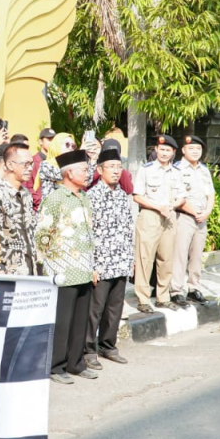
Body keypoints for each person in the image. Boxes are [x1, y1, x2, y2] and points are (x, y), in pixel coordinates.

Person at [36, 148, 97, 383]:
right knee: (62, 322)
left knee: (80, 321)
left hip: (83, 268)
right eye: (83, 169)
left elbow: (88, 234)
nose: (87, 173)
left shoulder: (83, 197)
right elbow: (42, 235)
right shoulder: (55, 198)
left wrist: (92, 265)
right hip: (62, 271)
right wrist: (48, 267)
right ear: (69, 172)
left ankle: (76, 363)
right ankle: (56, 366)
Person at [86, 146, 133, 367]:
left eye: (118, 167)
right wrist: (91, 264)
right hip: (101, 262)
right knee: (94, 309)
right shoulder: (92, 196)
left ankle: (108, 345)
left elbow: (128, 229)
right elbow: (87, 232)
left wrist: (130, 259)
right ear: (100, 169)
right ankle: (87, 349)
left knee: (115, 308)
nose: (115, 171)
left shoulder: (123, 196)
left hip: (121, 261)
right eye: (111, 167)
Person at [132, 134, 185, 311]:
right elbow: (137, 196)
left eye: (167, 150)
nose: (164, 153)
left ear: (173, 152)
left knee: (166, 258)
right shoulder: (145, 170)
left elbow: (182, 197)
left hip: (169, 216)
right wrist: (158, 206)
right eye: (161, 149)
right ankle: (143, 299)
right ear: (156, 150)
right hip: (149, 216)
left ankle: (163, 296)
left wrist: (172, 205)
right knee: (145, 258)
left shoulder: (177, 173)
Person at [173, 135, 214, 305]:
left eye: (198, 149)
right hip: (184, 216)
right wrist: (195, 212)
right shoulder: (177, 169)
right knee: (180, 254)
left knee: (197, 255)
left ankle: (194, 287)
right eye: (191, 148)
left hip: (201, 218)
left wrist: (207, 212)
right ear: (183, 150)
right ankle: (176, 290)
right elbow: (176, 195)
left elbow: (210, 193)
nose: (195, 151)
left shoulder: (204, 169)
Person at [0, 140, 38, 276]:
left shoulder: (26, 194)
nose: (30, 168)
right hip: (10, 270)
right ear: (10, 165)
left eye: (31, 164)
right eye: (25, 164)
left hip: (30, 267)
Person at [37, 132, 76, 197]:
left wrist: (93, 160)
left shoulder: (72, 165)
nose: (70, 148)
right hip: (52, 205)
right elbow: (65, 176)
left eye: (73, 146)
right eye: (67, 144)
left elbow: (86, 180)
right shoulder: (46, 165)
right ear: (57, 145)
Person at [29, 128, 55, 207]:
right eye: (49, 139)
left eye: (53, 140)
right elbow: (27, 186)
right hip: (39, 208)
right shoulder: (32, 161)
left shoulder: (56, 161)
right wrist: (40, 201)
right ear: (40, 142)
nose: (52, 142)